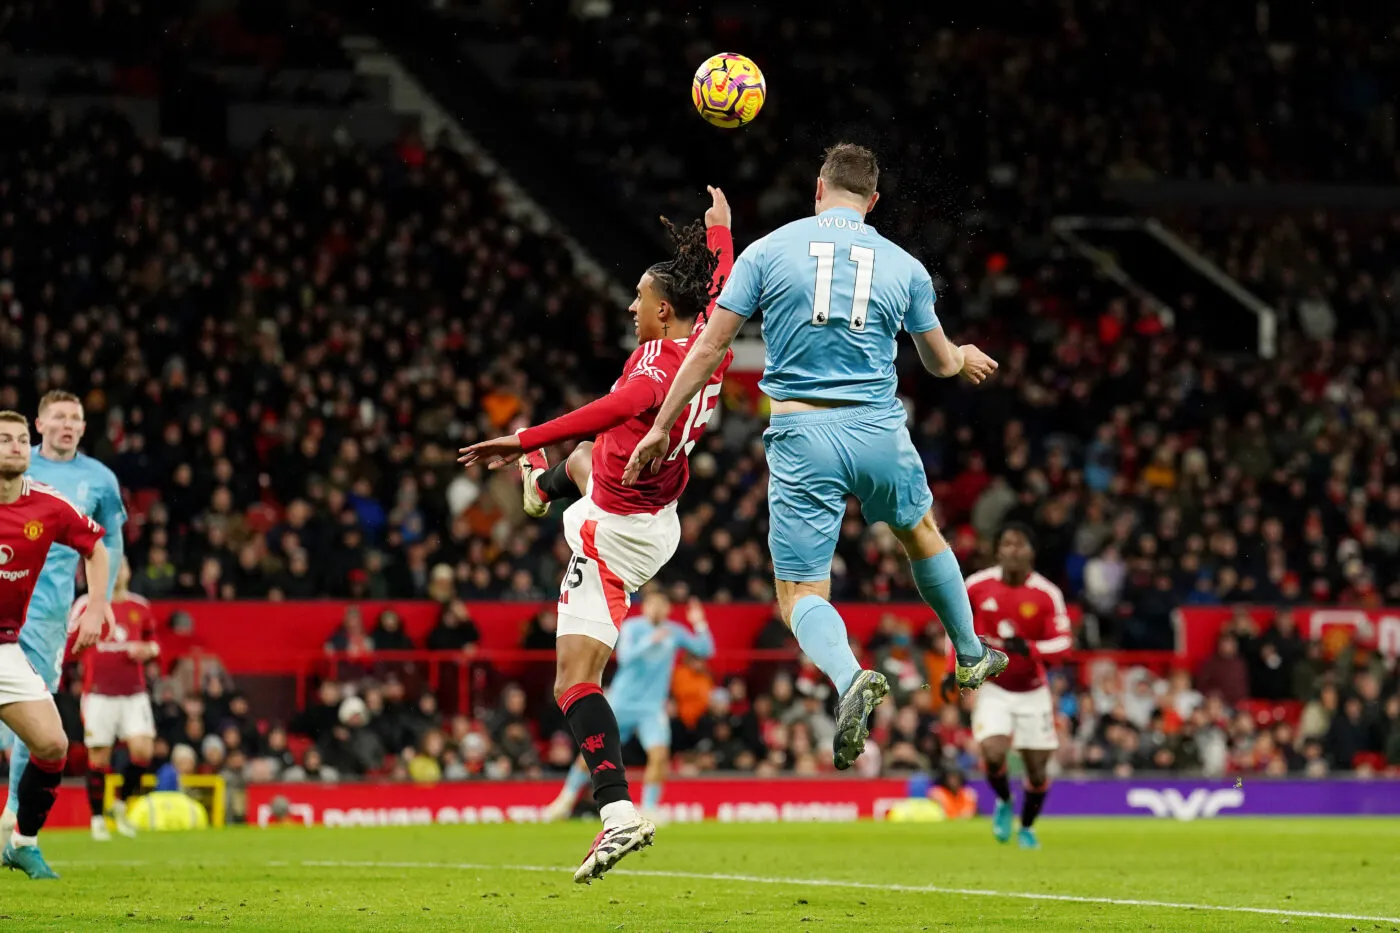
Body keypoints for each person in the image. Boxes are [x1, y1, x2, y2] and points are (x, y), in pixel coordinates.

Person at [625, 143, 1006, 773]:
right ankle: (969, 651)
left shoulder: (769, 250)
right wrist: (962, 354)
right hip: (880, 429)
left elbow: (707, 347)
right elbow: (939, 364)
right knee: (920, 532)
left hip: (804, 432)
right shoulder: (905, 266)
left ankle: (850, 676)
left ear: (819, 188)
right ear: (873, 200)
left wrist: (663, 426)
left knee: (800, 589)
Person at [459, 187, 734, 883]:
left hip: (615, 534)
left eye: (638, 299)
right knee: (582, 464)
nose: (630, 307)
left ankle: (617, 813)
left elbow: (601, 410)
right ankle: (541, 487)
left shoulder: (654, 375)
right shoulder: (711, 338)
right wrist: (721, 232)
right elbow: (726, 284)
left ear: (662, 310)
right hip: (647, 510)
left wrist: (517, 439)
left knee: (573, 679)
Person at [1, 391, 126, 845]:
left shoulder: (99, 480)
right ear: (41, 423)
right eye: (59, 416)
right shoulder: (17, 465)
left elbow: (107, 542)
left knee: (43, 728)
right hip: (13, 605)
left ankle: (14, 817)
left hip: (48, 610)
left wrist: (100, 602)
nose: (67, 424)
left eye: (76, 417)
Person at [943, 524, 1072, 850]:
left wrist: (1031, 648)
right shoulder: (977, 586)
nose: (1013, 550)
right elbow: (954, 625)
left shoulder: (1046, 594)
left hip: (1032, 690)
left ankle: (1026, 827)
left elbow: (1065, 643)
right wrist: (951, 668)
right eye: (1007, 544)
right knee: (993, 750)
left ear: (1030, 552)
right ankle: (1003, 800)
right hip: (993, 686)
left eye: (1019, 544)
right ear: (998, 551)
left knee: (1038, 770)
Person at [543, 592, 714, 822]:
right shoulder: (633, 628)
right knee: (594, 751)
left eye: (661, 604)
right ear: (645, 608)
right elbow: (624, 657)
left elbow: (705, 650)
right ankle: (564, 800)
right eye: (653, 604)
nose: (657, 609)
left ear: (667, 609)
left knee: (659, 755)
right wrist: (650, 641)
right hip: (622, 703)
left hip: (651, 708)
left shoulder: (674, 632)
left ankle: (650, 808)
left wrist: (699, 622)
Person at [68, 557, 159, 841]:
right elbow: (70, 644)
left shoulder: (139, 606)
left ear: (130, 571)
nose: (119, 571)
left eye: (123, 565)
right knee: (99, 757)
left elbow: (154, 642)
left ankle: (119, 805)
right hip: (99, 694)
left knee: (143, 751)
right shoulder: (86, 604)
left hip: (134, 693)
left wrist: (149, 650)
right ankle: (96, 819)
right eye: (114, 566)